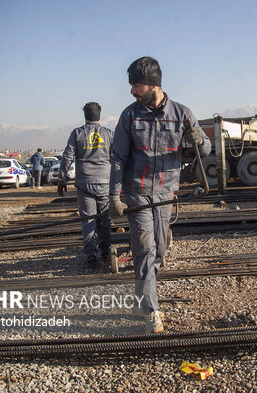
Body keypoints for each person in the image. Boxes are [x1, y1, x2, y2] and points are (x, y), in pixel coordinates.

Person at [109, 56, 211, 333]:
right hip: (137, 192)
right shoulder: (130, 116)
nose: (132, 91)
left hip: (166, 192)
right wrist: (113, 196)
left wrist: (197, 138)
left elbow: (205, 151)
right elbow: (117, 157)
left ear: (152, 85)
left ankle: (142, 295)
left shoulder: (182, 114)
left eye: (135, 85)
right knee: (144, 249)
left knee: (160, 251)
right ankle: (151, 311)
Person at [58, 102, 114, 269]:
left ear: (85, 115)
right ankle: (106, 252)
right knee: (104, 219)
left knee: (88, 219)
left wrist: (62, 178)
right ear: (99, 115)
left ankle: (91, 256)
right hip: (105, 181)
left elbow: (67, 156)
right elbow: (118, 157)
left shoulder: (77, 133)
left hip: (84, 182)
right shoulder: (109, 134)